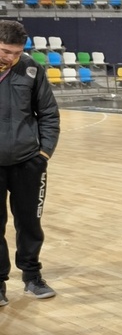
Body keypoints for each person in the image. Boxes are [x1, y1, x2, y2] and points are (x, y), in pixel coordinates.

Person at [0, 19, 60, 305]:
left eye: (16, 52)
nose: (10, 58)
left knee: (30, 223)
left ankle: (32, 276)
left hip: (28, 162)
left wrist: (44, 153)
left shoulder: (32, 68)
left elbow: (48, 113)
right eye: (4, 51)